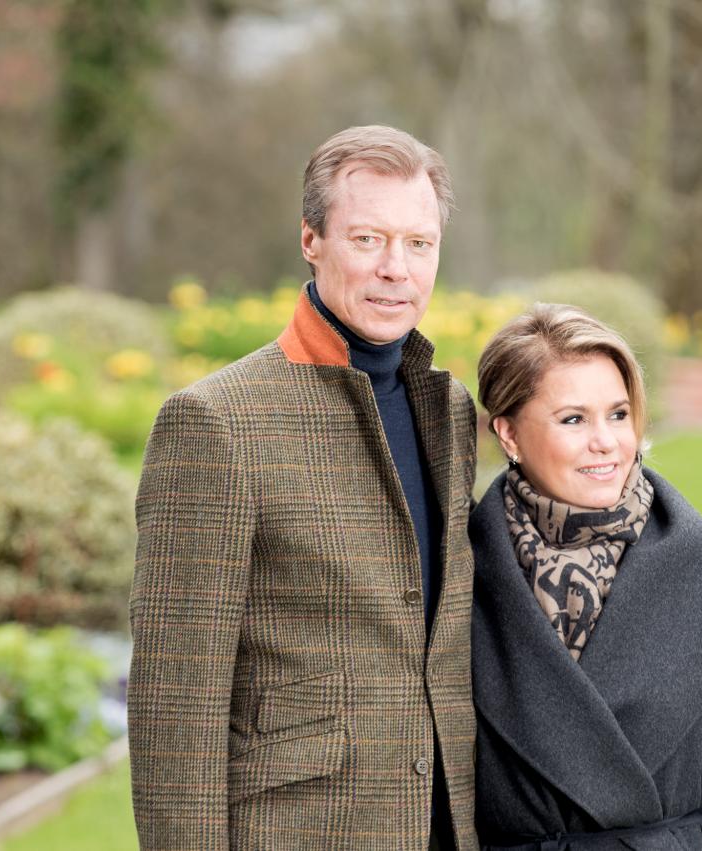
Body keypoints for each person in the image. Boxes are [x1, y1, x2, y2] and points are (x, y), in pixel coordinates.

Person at [128, 125, 479, 850]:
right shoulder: (216, 421)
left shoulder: (450, 410)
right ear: (311, 240)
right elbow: (175, 699)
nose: (396, 269)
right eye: (368, 239)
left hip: (446, 824)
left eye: (419, 243)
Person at [469, 304, 702, 850]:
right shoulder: (459, 572)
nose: (607, 441)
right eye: (573, 419)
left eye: (618, 414)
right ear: (509, 434)